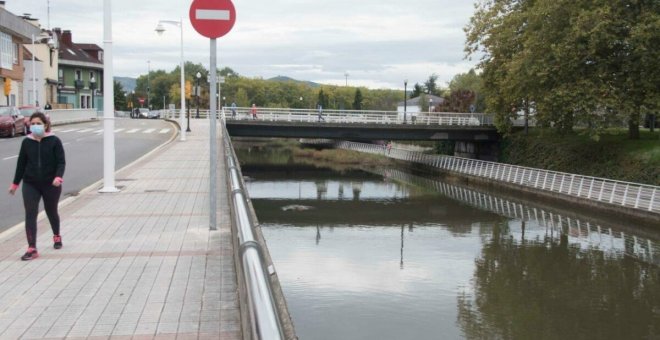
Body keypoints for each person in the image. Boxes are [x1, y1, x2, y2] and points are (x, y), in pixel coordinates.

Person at [8, 112, 66, 261]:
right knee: (30, 213)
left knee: (51, 210)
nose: (35, 126)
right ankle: (32, 248)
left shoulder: (54, 141)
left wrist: (58, 177)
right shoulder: (26, 142)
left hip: (50, 184)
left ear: (45, 125)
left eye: (38, 123)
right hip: (30, 183)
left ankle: (56, 235)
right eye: (32, 124)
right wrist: (15, 184)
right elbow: (21, 164)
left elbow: (61, 162)